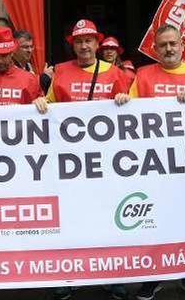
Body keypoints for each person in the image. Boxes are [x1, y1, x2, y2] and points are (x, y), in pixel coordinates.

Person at [115, 24, 185, 300]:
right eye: (163, 45)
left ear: (182, 46)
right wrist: (124, 100)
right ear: (155, 49)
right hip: (153, 167)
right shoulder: (143, 76)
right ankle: (154, 276)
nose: (169, 49)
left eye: (173, 43)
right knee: (155, 224)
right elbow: (129, 113)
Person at [32, 19, 128, 300]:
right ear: (72, 45)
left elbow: (133, 114)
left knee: (108, 218)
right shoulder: (60, 72)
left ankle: (113, 277)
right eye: (79, 41)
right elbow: (48, 104)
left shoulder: (116, 74)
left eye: (89, 40)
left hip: (105, 162)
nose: (84, 46)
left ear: (98, 44)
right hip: (68, 163)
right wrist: (41, 103)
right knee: (70, 219)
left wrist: (125, 100)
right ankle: (68, 276)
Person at [13, 29, 53, 93]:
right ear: (14, 48)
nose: (30, 50)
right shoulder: (9, 67)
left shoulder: (30, 66)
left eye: (31, 46)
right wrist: (44, 78)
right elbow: (25, 89)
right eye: (25, 47)